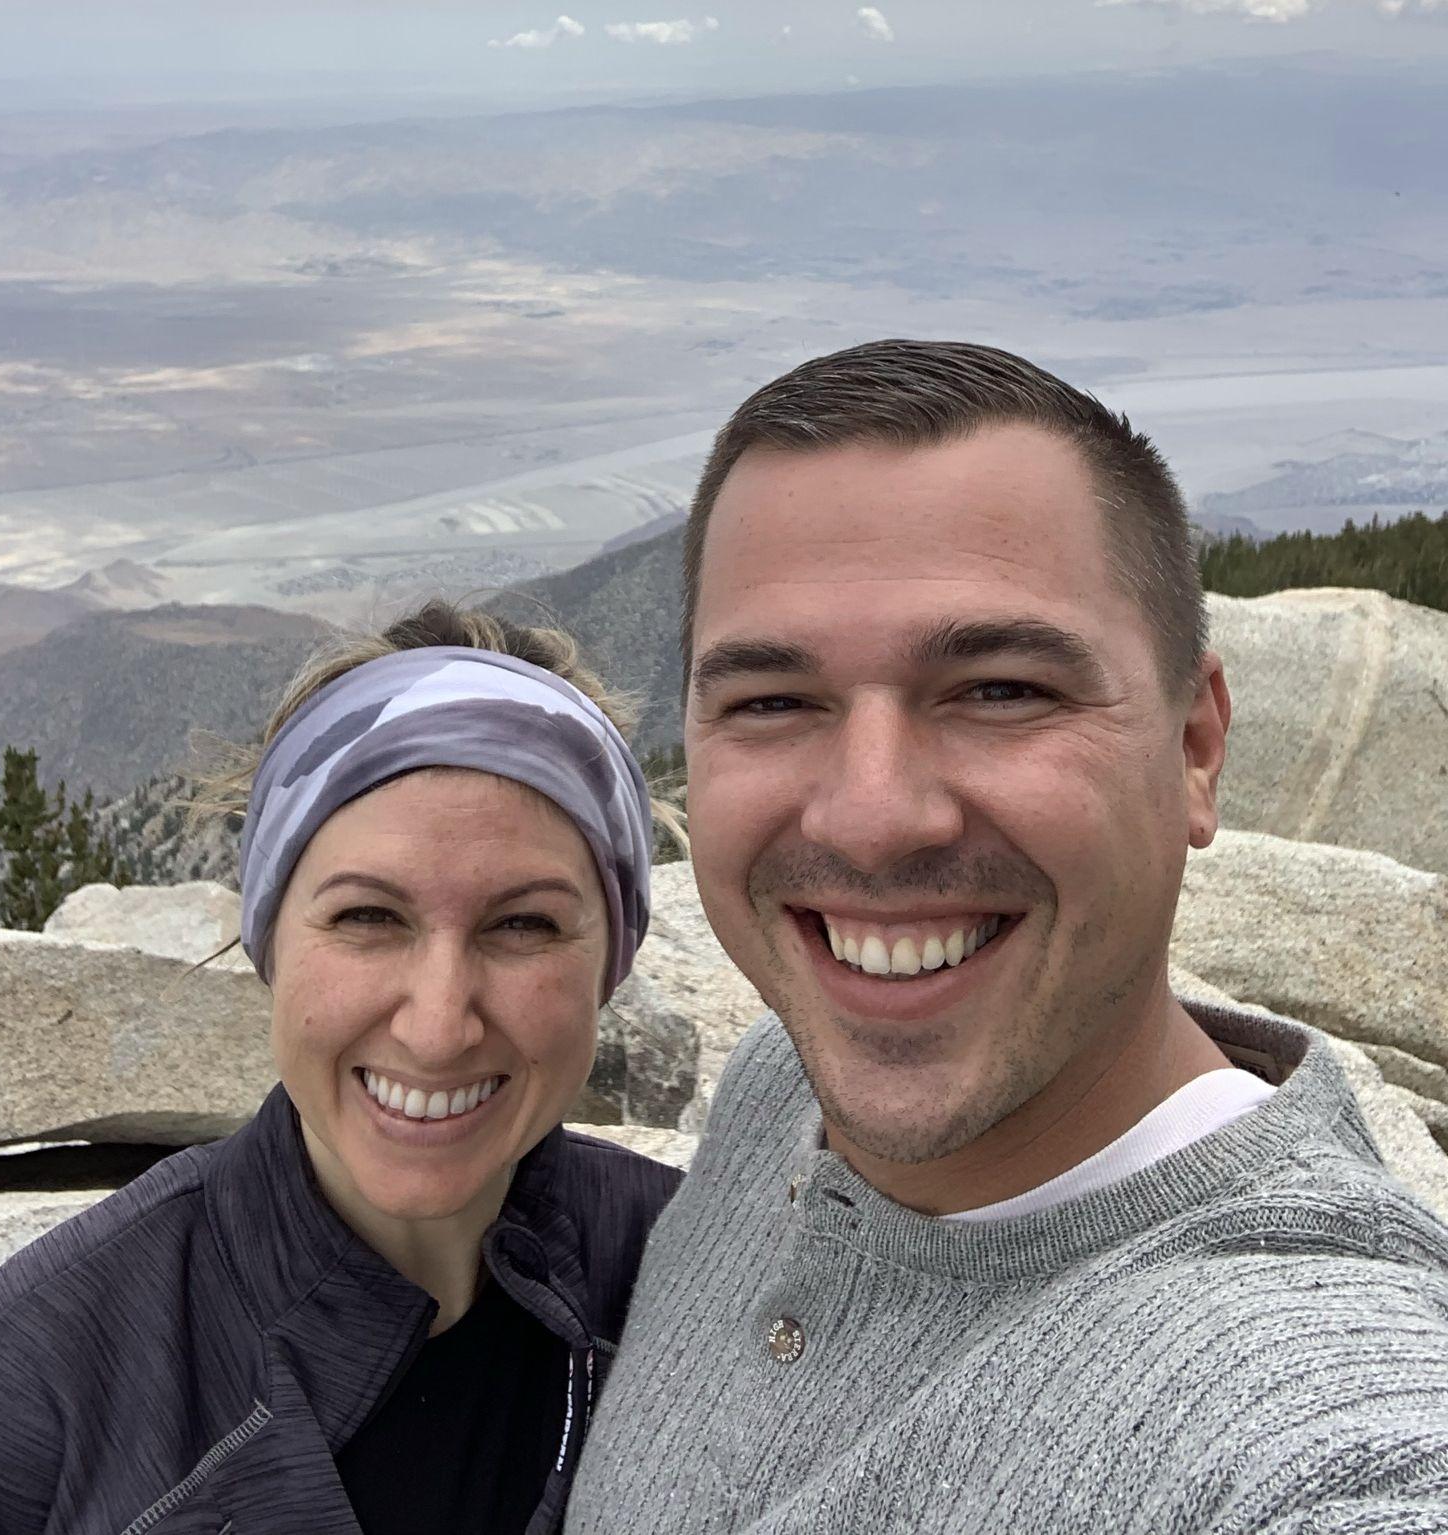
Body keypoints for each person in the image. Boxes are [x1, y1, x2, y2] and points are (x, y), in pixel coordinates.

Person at [566, 340, 1448, 1533]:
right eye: (774, 701)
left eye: (1001, 690)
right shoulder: (781, 1088)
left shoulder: (1310, 1403)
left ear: (1196, 746)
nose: (873, 817)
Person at [0, 601, 682, 1535]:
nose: (438, 1027)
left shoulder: (687, 1264)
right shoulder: (40, 1377)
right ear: (270, 937)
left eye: (523, 924)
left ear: (612, 960)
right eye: (367, 917)